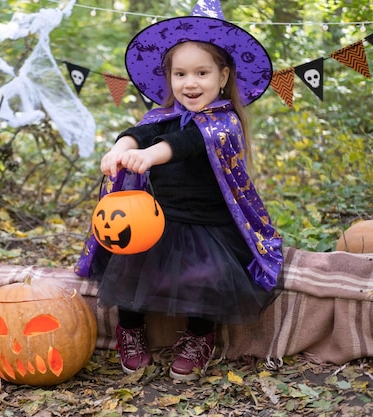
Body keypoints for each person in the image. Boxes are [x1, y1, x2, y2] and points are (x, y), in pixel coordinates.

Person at [75, 0, 283, 381]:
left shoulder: (225, 123)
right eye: (180, 73)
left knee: (208, 276)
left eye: (202, 72)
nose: (190, 83)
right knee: (131, 264)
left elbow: (189, 142)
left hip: (210, 224)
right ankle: (130, 330)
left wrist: (152, 154)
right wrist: (122, 147)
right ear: (168, 78)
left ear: (223, 76)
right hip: (159, 220)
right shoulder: (163, 116)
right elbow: (143, 132)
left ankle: (199, 336)